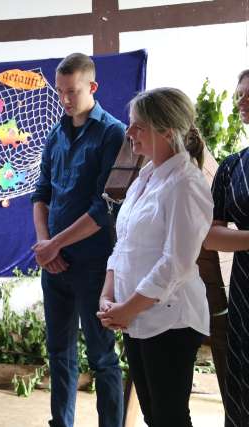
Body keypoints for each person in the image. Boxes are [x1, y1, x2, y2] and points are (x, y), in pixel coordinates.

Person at [97, 87, 213, 427]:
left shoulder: (185, 182)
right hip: (136, 316)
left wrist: (128, 306)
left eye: (138, 126)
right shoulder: (144, 177)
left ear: (166, 131)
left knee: (170, 417)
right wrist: (108, 295)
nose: (129, 132)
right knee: (153, 415)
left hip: (171, 319)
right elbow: (123, 245)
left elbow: (175, 261)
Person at [31, 52, 124, 427]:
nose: (66, 99)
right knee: (58, 353)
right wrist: (44, 245)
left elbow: (105, 208)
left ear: (93, 87)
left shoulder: (114, 133)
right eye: (61, 91)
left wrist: (56, 244)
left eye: (73, 91)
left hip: (94, 265)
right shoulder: (55, 134)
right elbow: (41, 195)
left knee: (102, 357)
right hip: (53, 265)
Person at [203, 69, 249, 427]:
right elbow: (211, 236)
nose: (242, 102)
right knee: (242, 377)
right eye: (239, 96)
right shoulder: (232, 166)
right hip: (245, 285)